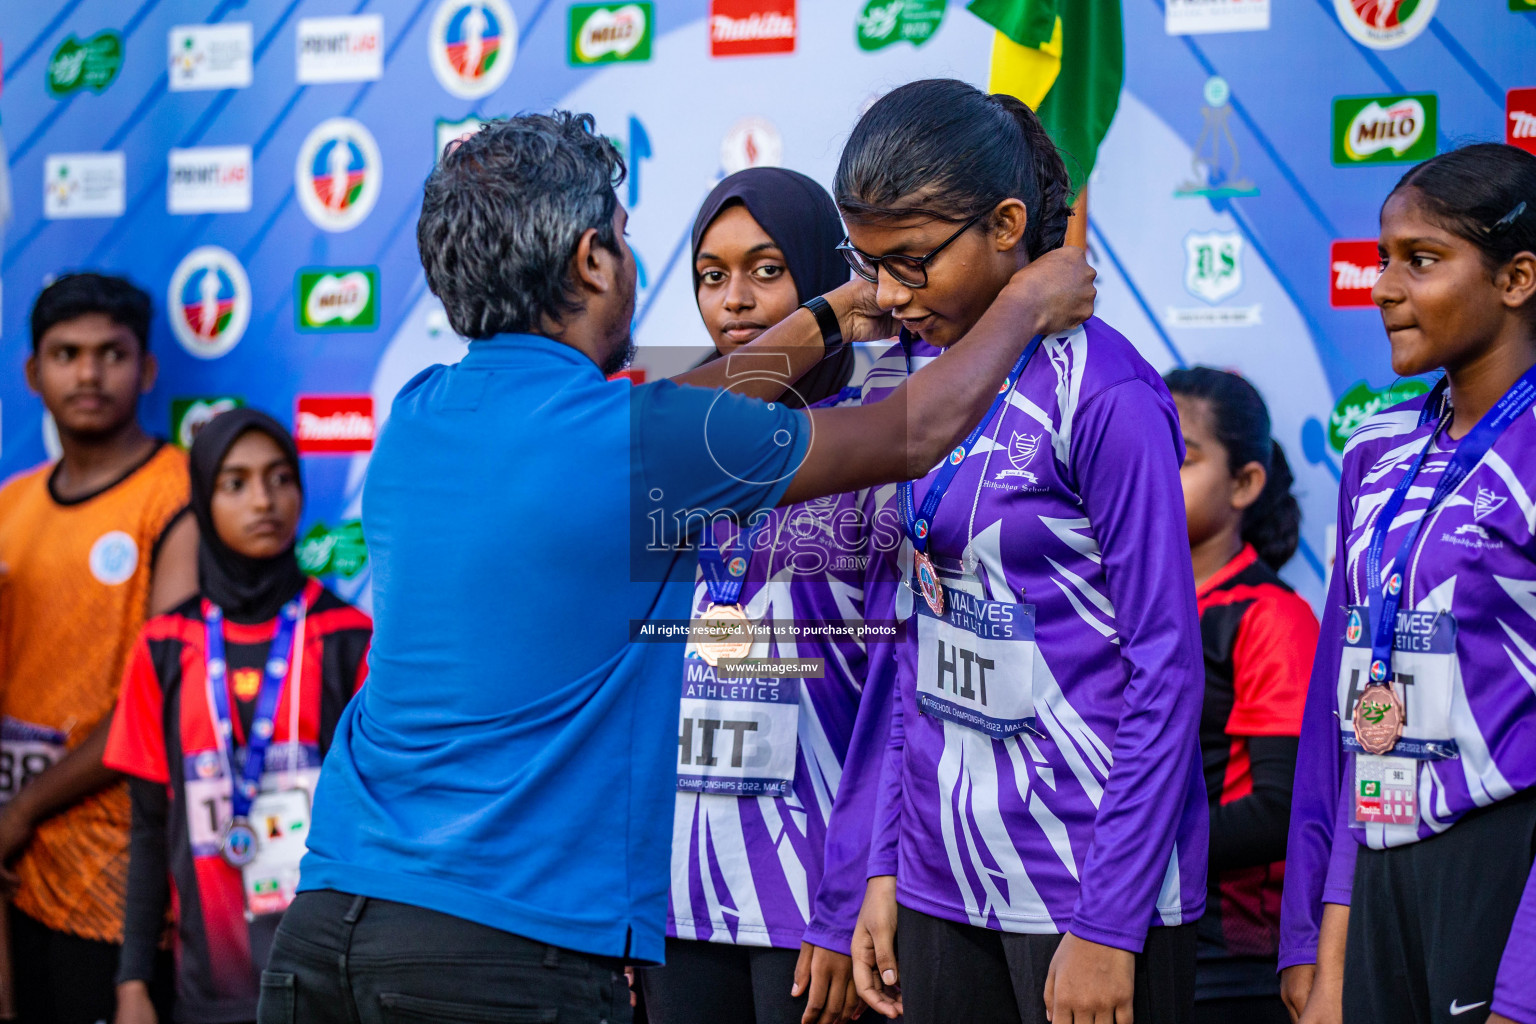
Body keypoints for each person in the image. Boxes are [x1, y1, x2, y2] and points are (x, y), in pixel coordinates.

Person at [259, 111, 1096, 1024]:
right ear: (589, 262)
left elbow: (695, 404)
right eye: (623, 238)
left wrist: (830, 312)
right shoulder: (639, 442)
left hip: (326, 923)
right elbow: (916, 430)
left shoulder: (419, 415)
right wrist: (1024, 305)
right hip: (497, 955)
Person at [841, 79, 1208, 1024]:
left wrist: (1111, 920)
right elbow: (916, 649)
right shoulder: (918, 384)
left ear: (1008, 225)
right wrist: (886, 863)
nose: (887, 295)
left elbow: (1166, 671)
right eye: (868, 263)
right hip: (942, 878)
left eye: (911, 262)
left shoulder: (1108, 391)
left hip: (1084, 882)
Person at [1279, 142, 1536, 1024]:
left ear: (1516, 279)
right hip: (1379, 852)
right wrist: (1323, 942)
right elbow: (1346, 716)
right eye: (1383, 258)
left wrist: (1526, 982)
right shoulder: (1378, 449)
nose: (1384, 286)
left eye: (1420, 261)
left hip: (1501, 856)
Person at [641, 168, 867, 1024]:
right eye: (711, 274)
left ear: (821, 273)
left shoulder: (875, 433)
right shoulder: (668, 433)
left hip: (815, 896)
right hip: (676, 895)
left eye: (767, 269)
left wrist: (852, 897)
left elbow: (900, 702)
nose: (735, 299)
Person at [105, 409, 371, 1024]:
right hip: (206, 986)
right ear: (202, 499)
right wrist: (133, 982)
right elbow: (148, 830)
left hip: (329, 979)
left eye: (281, 478)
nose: (265, 501)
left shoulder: (348, 639)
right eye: (236, 482)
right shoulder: (164, 647)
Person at [0, 273, 197, 1024]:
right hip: (15, 866)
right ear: (33, 373)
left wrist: (21, 811)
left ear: (145, 370)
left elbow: (160, 698)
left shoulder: (175, 493)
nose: (87, 373)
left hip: (115, 874)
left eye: (110, 354)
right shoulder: (10, 503)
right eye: (66, 353)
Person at [1164, 368, 1319, 1024]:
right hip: (1118, 919)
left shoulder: (1269, 617)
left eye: (1183, 456)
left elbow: (1281, 809)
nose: (1153, 473)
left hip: (1228, 955)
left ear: (1246, 483)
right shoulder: (1106, 607)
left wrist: (1126, 846)